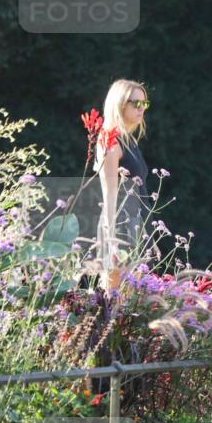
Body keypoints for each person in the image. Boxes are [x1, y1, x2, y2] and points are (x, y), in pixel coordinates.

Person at [94, 79, 151, 289]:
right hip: (119, 229)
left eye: (144, 103)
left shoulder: (130, 140)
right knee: (113, 301)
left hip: (137, 225)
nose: (141, 108)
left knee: (131, 306)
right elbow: (108, 194)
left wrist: (149, 237)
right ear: (119, 104)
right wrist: (110, 242)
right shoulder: (109, 140)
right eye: (135, 103)